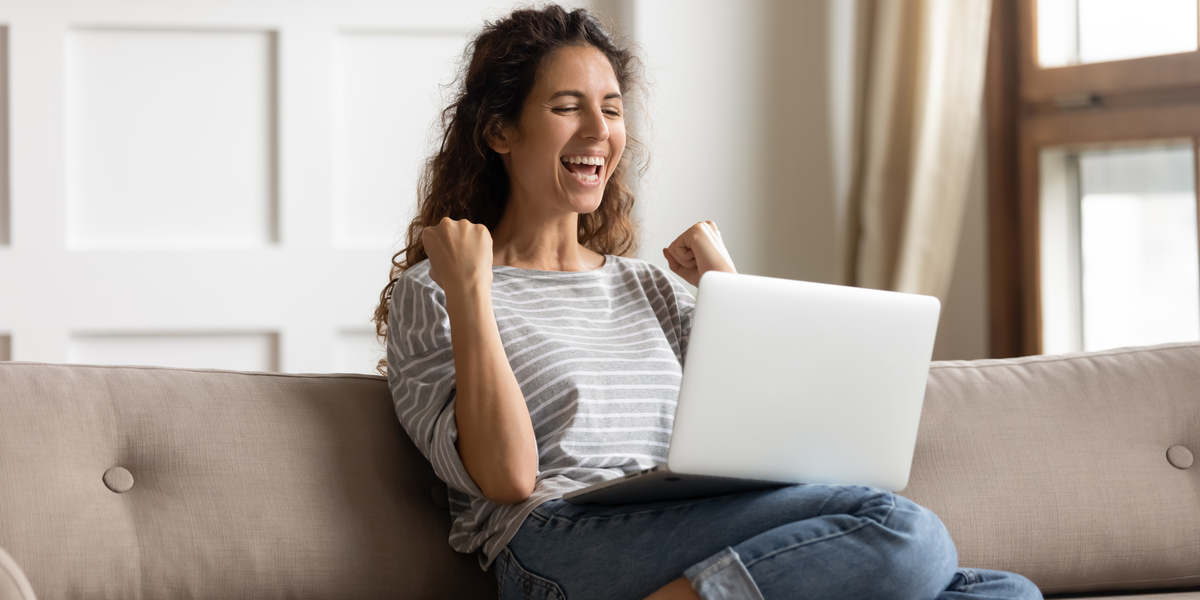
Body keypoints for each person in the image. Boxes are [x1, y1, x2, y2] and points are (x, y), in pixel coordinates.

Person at [373, 5, 1042, 600]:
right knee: (905, 534)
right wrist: (470, 292)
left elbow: (782, 439)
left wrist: (728, 288)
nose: (597, 130)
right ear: (499, 132)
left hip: (686, 519)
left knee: (1006, 593)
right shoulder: (437, 292)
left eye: (610, 108)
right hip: (556, 544)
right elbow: (510, 478)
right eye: (565, 106)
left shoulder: (650, 288)